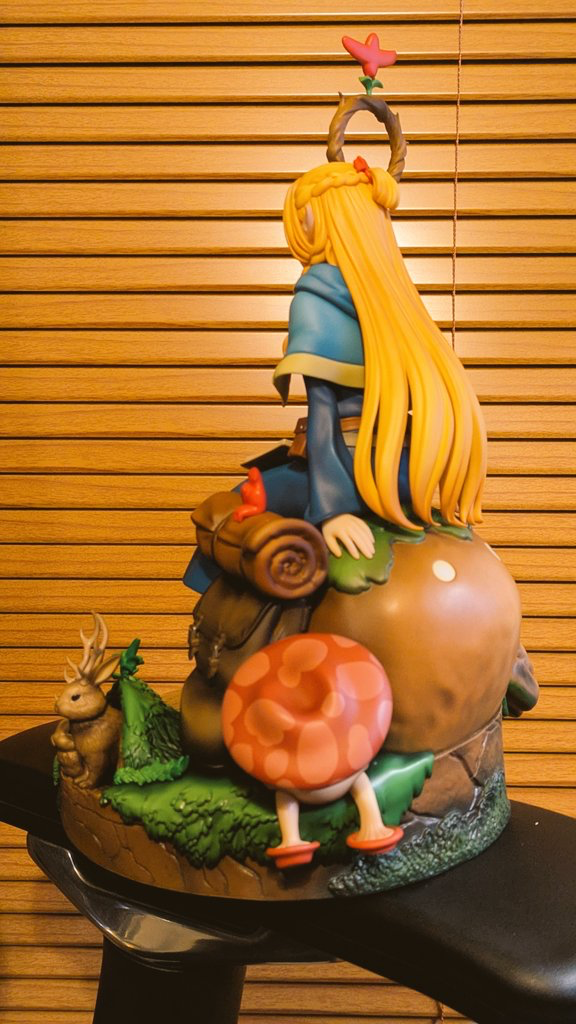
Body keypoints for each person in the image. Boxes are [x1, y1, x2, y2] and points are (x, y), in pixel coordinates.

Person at [183, 158, 486, 594]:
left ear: (319, 222)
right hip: (401, 476)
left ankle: (225, 627)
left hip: (348, 471)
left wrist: (331, 508)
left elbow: (322, 412)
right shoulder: (397, 299)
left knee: (231, 508)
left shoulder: (316, 296)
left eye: (303, 221)